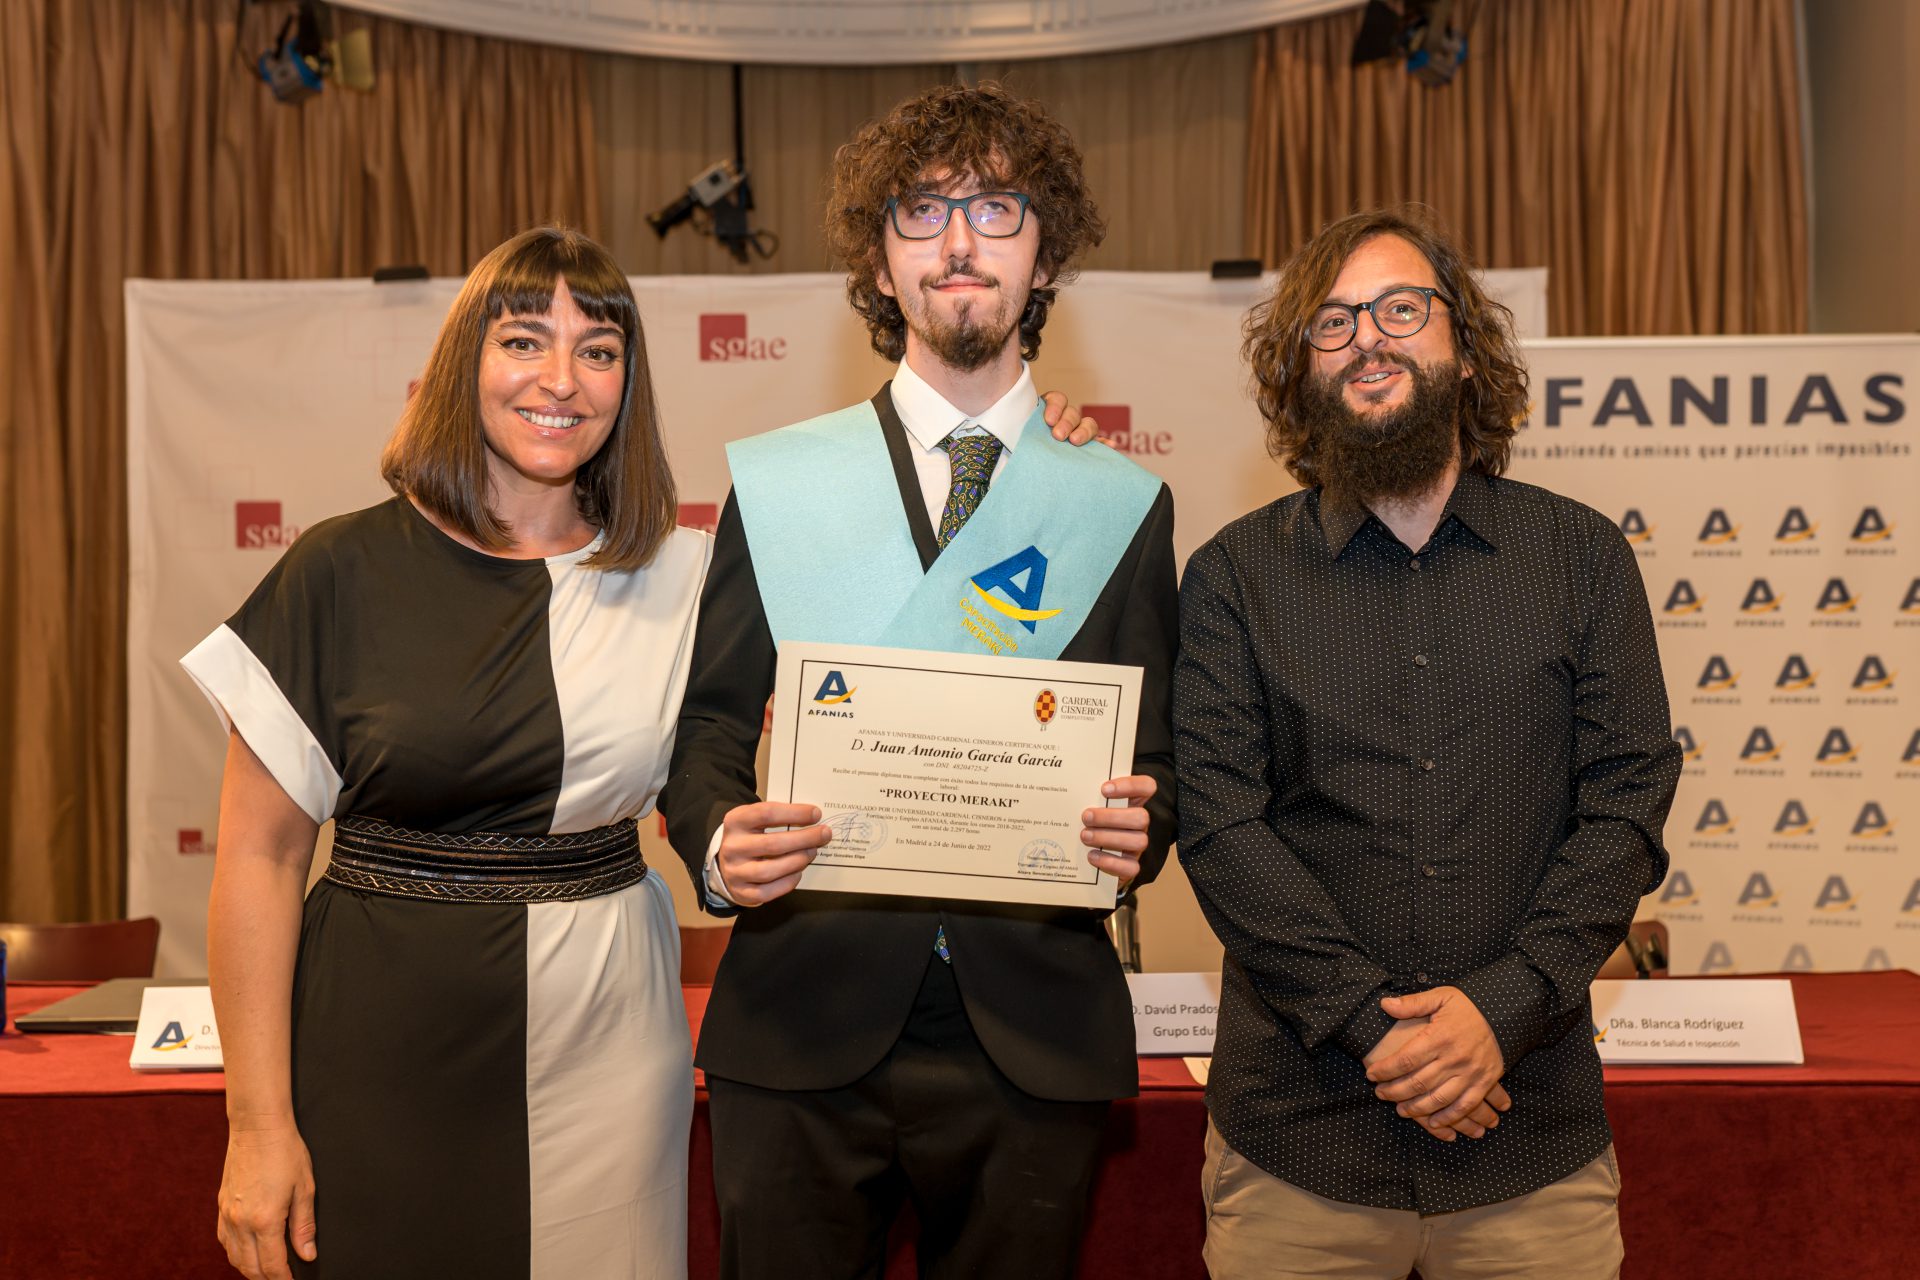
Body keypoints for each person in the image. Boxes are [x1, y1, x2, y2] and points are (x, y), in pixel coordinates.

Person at [181, 224, 1097, 1280]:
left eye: (600, 350)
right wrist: (256, 1125)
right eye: (524, 340)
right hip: (381, 1046)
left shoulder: (686, 572)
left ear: (630, 380)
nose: (561, 379)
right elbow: (254, 858)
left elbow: (911, 649)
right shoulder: (334, 571)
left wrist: (1030, 456)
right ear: (461, 365)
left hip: (610, 1044)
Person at [661, 84, 1177, 1280]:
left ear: (1044, 252)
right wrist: (717, 839)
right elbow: (709, 728)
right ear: (879, 265)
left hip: (1033, 1032)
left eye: (996, 209)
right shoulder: (784, 489)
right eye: (922, 211)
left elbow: (1175, 760)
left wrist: (1143, 826)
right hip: (799, 1021)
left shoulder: (1117, 507)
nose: (958, 241)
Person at [1174, 206, 1682, 1279]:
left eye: (1401, 308)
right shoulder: (1232, 577)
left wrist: (1502, 1009)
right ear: (1299, 367)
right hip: (1298, 1148)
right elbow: (1222, 827)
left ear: (1462, 341)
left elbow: (1628, 803)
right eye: (1334, 320)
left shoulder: (1582, 557)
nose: (1370, 336)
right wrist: (1378, 1028)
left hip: (1529, 1142)